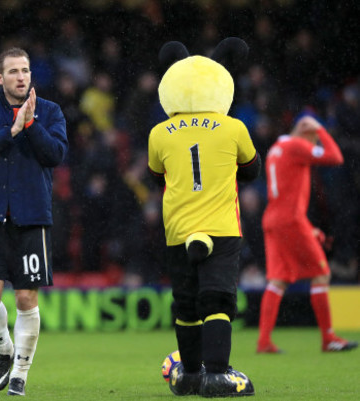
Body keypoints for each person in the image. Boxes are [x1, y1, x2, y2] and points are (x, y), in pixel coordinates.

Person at [148, 39, 259, 397]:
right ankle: (216, 375)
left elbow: (155, 175)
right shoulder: (234, 127)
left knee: (186, 305)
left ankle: (190, 376)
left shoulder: (159, 133)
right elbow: (252, 170)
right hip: (222, 227)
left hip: (178, 230)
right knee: (218, 301)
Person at [0, 47, 68, 397]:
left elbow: (55, 154)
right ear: (0, 78)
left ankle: (21, 373)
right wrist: (11, 130)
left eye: (25, 70)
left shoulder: (50, 111)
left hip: (32, 218)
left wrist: (31, 124)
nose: (21, 76)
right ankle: (5, 350)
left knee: (26, 298)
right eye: (13, 71)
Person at [257, 115, 358, 353]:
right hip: (290, 220)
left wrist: (306, 227)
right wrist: (321, 130)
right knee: (322, 273)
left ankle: (264, 341)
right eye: (313, 138)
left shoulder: (277, 148)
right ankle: (328, 338)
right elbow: (336, 157)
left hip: (273, 219)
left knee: (277, 281)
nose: (315, 145)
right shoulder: (296, 145)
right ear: (306, 133)